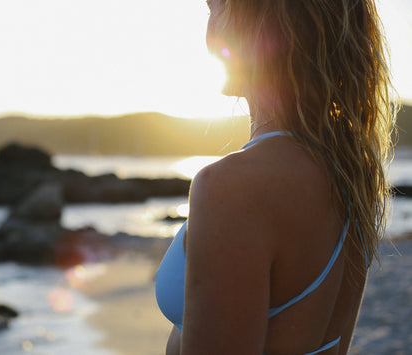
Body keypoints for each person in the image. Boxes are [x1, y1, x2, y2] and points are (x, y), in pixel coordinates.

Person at [155, 0, 398, 354]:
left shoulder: (233, 187)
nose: (208, 24)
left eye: (214, 6)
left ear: (259, 22)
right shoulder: (350, 172)